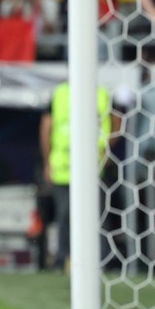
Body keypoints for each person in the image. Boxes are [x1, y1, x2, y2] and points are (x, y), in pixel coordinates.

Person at [39, 80, 118, 271]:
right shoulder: (59, 94)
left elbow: (117, 122)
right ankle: (64, 260)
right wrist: (47, 162)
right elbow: (46, 126)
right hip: (63, 167)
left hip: (93, 166)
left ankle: (101, 260)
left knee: (97, 215)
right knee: (65, 215)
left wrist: (107, 149)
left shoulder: (102, 94)